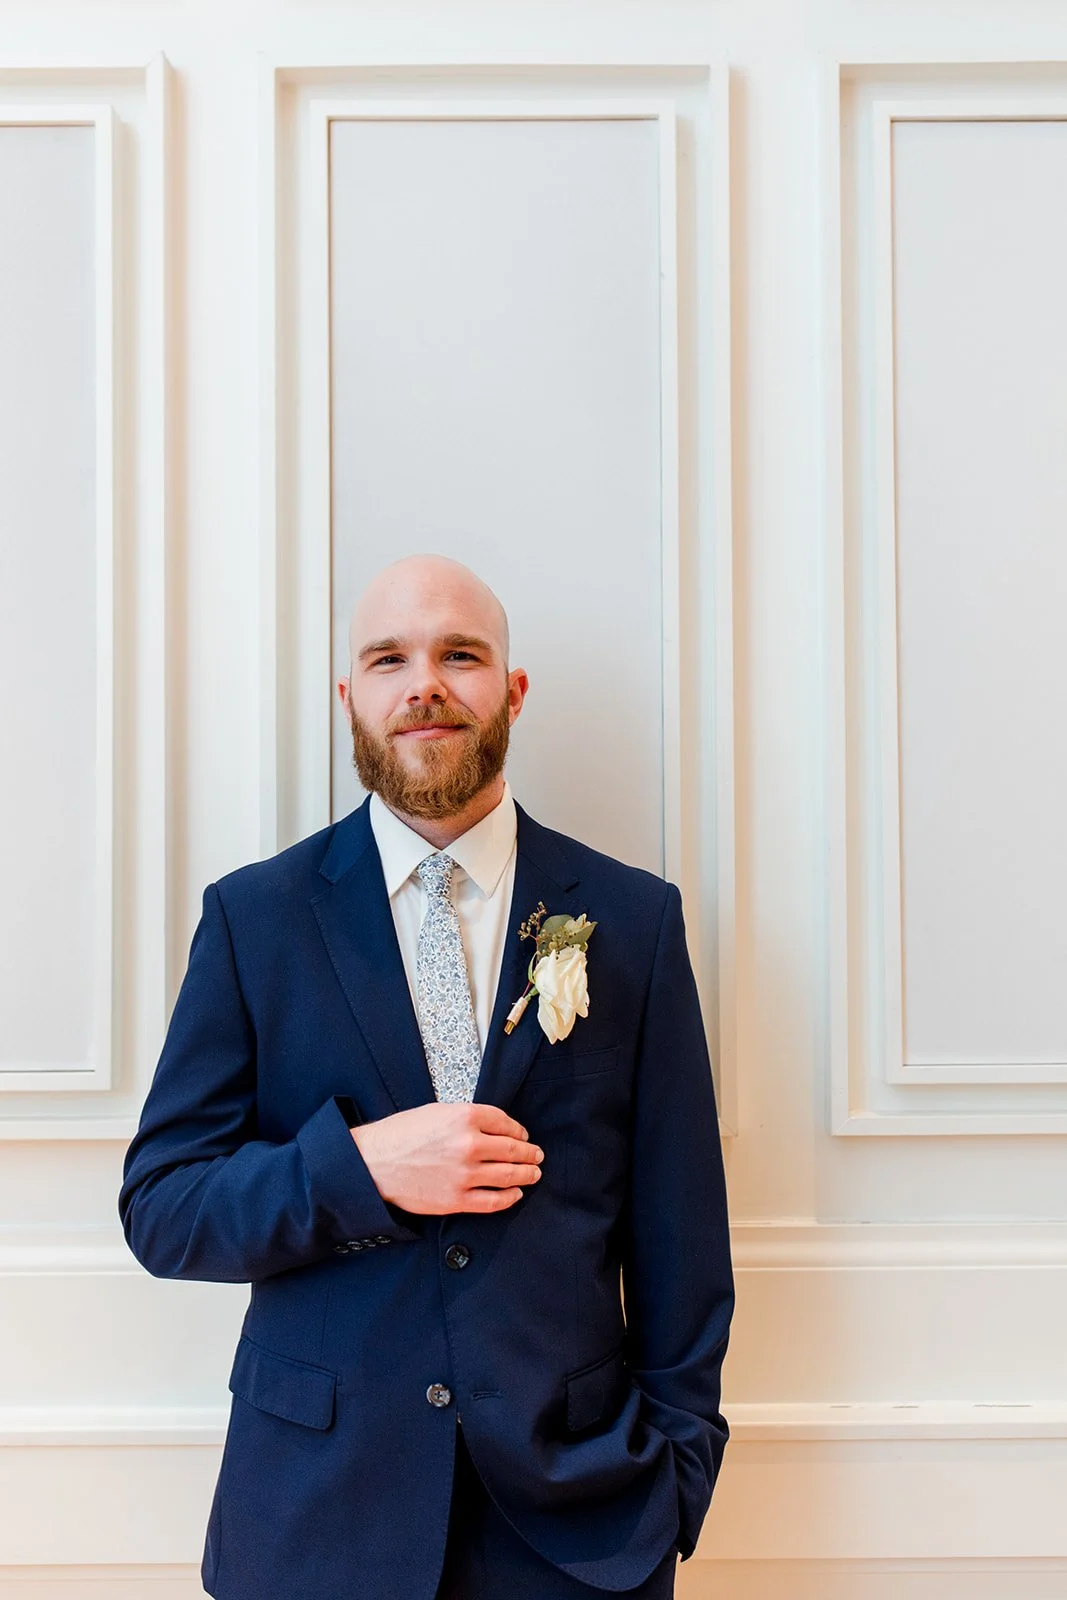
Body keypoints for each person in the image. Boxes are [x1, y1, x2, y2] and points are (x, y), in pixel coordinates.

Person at [119, 553, 734, 1600]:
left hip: (579, 1524)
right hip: (316, 1520)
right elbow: (165, 1208)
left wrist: (675, 1483)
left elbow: (681, 1240)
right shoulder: (253, 921)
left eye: (461, 654)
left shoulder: (633, 921)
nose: (426, 683)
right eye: (389, 657)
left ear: (512, 689)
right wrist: (358, 1166)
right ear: (350, 695)